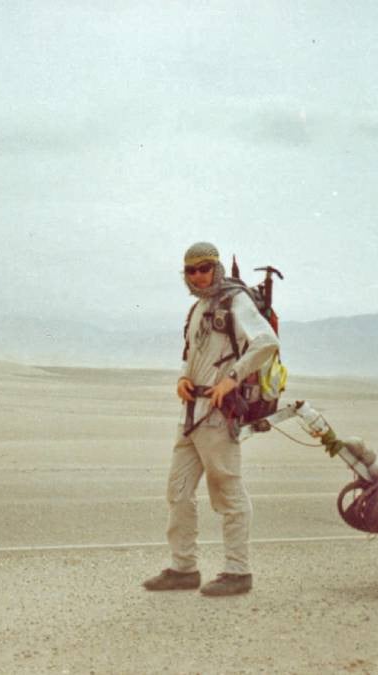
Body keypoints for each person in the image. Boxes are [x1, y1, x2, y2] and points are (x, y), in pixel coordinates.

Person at [142, 242, 280, 597]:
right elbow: (193, 354)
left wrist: (233, 378)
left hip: (219, 416)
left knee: (227, 492)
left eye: (205, 268)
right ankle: (183, 569)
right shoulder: (198, 308)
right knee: (178, 491)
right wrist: (183, 379)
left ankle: (238, 571)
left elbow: (266, 341)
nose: (199, 276)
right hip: (191, 415)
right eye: (191, 270)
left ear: (216, 268)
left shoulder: (237, 301)